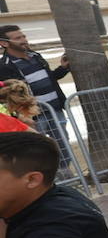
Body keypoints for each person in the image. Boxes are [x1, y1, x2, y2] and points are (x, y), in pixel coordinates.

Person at [0, 25, 74, 169]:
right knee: (37, 148)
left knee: (63, 143)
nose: (23, 40)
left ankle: (65, 173)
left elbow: (49, 79)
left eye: (23, 36)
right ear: (4, 43)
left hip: (55, 109)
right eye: (17, 38)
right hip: (32, 115)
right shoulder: (4, 66)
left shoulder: (35, 56)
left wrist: (62, 69)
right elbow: (12, 93)